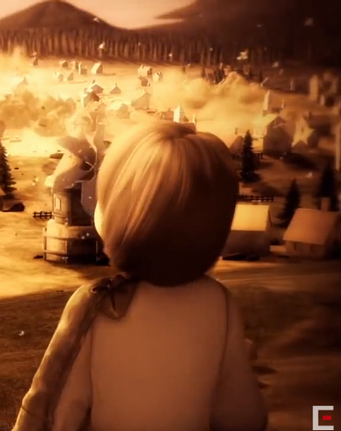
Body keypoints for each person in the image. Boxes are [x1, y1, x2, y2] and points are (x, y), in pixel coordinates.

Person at [14, 121, 268, 431]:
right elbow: (243, 416)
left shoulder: (98, 305)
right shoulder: (219, 303)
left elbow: (54, 409)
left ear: (125, 217)